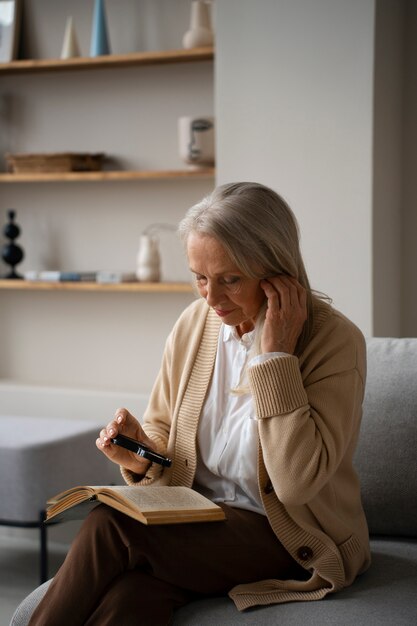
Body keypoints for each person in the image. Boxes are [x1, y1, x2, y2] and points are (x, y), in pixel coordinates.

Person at [28, 182, 371, 626]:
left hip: (287, 536)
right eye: (199, 278)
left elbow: (295, 485)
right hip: (195, 524)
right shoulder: (195, 324)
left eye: (230, 279)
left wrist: (275, 357)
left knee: (108, 525)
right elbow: (165, 447)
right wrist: (138, 454)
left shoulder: (335, 342)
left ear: (277, 270)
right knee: (129, 600)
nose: (210, 298)